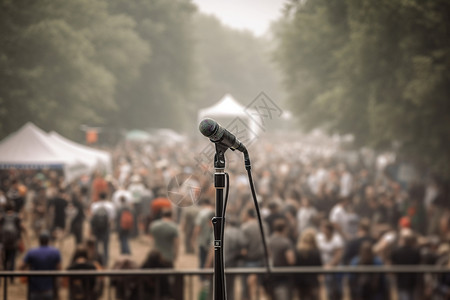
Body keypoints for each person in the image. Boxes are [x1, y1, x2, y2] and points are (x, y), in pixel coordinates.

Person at [20, 231, 62, 300]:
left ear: (39, 240)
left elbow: (21, 266)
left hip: (34, 290)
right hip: (49, 290)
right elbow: (59, 268)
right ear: (48, 241)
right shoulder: (55, 252)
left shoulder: (31, 252)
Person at [241, 208, 267, 300]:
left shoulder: (245, 227)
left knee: (249, 286)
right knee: (260, 284)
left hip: (250, 260)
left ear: (248, 215)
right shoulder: (264, 225)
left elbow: (244, 248)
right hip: (263, 258)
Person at [267, 219, 296, 300]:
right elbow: (291, 260)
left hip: (272, 273)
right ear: (284, 229)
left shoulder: (269, 240)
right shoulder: (286, 242)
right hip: (284, 274)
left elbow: (268, 255)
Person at [316, 220, 344, 300]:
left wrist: (330, 265)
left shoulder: (337, 239)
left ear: (329, 230)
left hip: (336, 267)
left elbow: (338, 255)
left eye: (324, 228)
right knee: (329, 289)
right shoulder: (319, 237)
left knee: (338, 290)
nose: (322, 230)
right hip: (325, 267)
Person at [391, 229, 421, 300]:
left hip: (401, 280)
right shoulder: (416, 251)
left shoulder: (396, 251)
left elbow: (392, 265)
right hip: (412, 281)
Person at [0, 201, 26, 281]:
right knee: (12, 258)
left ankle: (4, 272)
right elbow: (20, 228)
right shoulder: (16, 216)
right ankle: (11, 277)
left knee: (5, 258)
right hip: (14, 241)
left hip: (4, 241)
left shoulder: (3, 217)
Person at [295, 228, 322, 300]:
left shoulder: (297, 251)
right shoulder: (315, 252)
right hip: (313, 282)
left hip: (300, 282)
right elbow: (319, 267)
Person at [90, 192, 115, 265]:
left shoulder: (94, 205)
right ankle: (105, 262)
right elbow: (112, 218)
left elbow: (92, 218)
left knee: (96, 246)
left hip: (96, 229)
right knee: (106, 246)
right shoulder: (110, 205)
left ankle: (97, 261)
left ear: (99, 197)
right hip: (106, 228)